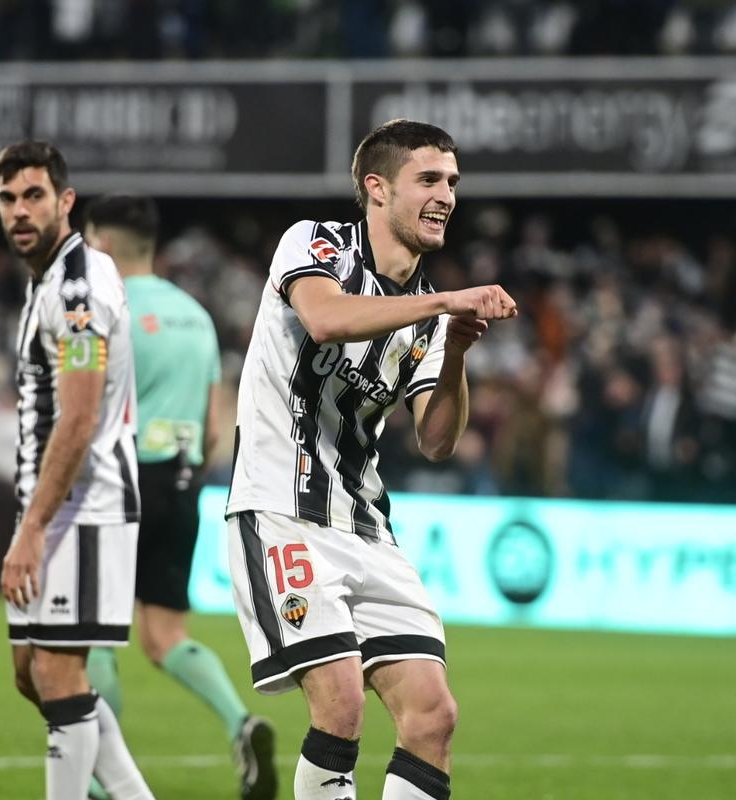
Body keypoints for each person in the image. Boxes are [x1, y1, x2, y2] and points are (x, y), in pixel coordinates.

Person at [225, 119, 517, 800]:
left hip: (364, 526)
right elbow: (326, 319)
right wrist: (447, 302)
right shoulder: (316, 242)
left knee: (432, 715)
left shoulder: (429, 316)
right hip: (279, 509)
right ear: (376, 188)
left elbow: (438, 441)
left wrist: (456, 359)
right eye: (429, 180)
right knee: (340, 703)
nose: (446, 194)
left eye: (452, 182)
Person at [83, 195, 277, 800]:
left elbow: (85, 406)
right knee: (165, 634)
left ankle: (101, 777)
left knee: (95, 634)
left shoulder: (103, 307)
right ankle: (238, 722)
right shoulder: (195, 314)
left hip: (121, 482)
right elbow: (215, 423)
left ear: (105, 245)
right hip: (186, 482)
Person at [0, 141, 153, 800]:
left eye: (34, 196)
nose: (19, 212)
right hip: (52, 503)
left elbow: (80, 416)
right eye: (7, 199)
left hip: (84, 506)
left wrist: (32, 528)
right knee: (32, 672)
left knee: (57, 675)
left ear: (65, 202)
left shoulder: (78, 285)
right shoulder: (50, 279)